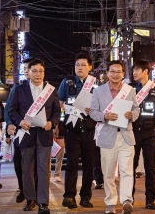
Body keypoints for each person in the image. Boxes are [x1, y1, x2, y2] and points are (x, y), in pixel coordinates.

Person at [9, 58, 61, 214]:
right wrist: (20, 122)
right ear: (28, 72)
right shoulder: (19, 89)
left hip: (44, 135)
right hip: (26, 134)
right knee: (27, 169)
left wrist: (52, 123)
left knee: (43, 169)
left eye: (41, 71)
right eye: (35, 71)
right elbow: (12, 110)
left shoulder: (51, 90)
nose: (38, 74)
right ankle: (30, 199)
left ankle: (43, 202)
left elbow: (57, 112)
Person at [90, 60, 140, 214]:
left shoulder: (129, 90)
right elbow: (92, 112)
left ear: (123, 73)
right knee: (108, 173)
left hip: (126, 136)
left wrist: (133, 115)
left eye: (119, 71)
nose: (116, 74)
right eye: (112, 71)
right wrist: (104, 116)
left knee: (127, 171)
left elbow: (136, 109)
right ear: (107, 73)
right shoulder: (98, 91)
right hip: (107, 136)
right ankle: (110, 202)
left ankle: (126, 201)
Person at [58, 52, 97, 209]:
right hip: (72, 129)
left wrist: (92, 110)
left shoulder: (96, 84)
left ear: (90, 67)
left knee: (89, 165)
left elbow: (101, 106)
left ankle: (86, 197)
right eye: (77, 65)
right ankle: (69, 196)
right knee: (72, 164)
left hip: (90, 130)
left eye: (83, 65)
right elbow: (60, 103)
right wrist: (71, 110)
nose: (80, 67)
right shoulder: (67, 82)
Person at [4, 57, 36, 203]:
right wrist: (10, 123)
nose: (25, 72)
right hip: (20, 132)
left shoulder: (45, 90)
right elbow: (9, 108)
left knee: (38, 166)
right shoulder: (18, 88)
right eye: (24, 70)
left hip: (39, 132)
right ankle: (23, 189)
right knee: (19, 163)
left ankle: (35, 194)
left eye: (27, 69)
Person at [131, 59, 155, 210]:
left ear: (146, 71)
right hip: (132, 132)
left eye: (137, 69)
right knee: (131, 167)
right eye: (133, 69)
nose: (134, 72)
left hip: (150, 132)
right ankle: (129, 198)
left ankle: (150, 199)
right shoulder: (129, 89)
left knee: (150, 168)